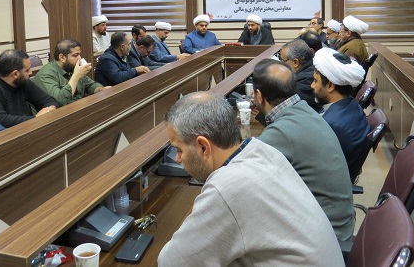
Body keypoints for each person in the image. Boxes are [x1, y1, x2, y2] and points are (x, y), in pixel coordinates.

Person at [158, 92, 345, 266]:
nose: (177, 159)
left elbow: (172, 262)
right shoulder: (261, 150)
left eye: (179, 149)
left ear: (203, 147)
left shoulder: (227, 187)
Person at [251, 59, 355, 243]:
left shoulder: (281, 133)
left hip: (325, 238)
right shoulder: (304, 109)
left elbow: (242, 172)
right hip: (337, 224)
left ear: (258, 95)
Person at [311, 48, 370, 180]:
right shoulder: (351, 103)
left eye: (315, 81)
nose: (312, 86)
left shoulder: (331, 125)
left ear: (330, 86)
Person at [0, 50, 58, 127]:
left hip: (28, 129)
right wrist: (35, 118)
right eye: (27, 70)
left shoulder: (23, 82)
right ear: (15, 74)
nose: (31, 73)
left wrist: (48, 110)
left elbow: (49, 101)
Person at [33, 39, 109, 106]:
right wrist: (76, 76)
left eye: (79, 54)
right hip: (61, 114)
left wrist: (101, 89)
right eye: (75, 55)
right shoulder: (46, 74)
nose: (79, 58)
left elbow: (90, 84)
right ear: (62, 57)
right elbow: (60, 101)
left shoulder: (71, 67)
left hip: (79, 108)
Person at [280, 39, 322, 112]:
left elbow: (291, 109)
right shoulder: (313, 66)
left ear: (295, 62)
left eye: (283, 61)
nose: (282, 65)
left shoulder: (305, 81)